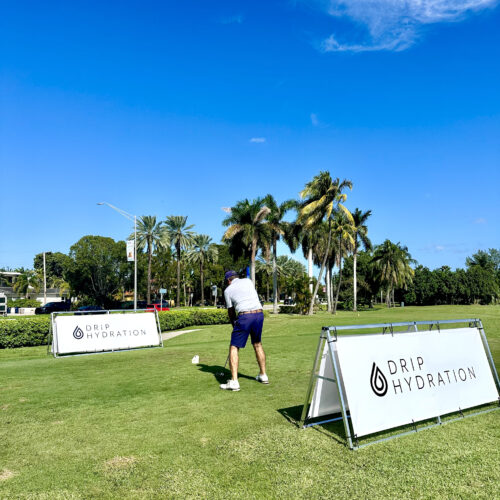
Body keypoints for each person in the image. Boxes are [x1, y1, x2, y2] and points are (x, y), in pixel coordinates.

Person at [219, 270, 269, 391]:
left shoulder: (228, 290)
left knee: (234, 347)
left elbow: (231, 311)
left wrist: (233, 324)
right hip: (259, 314)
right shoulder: (248, 281)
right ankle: (263, 375)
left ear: (228, 281)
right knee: (257, 344)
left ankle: (234, 382)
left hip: (245, 316)